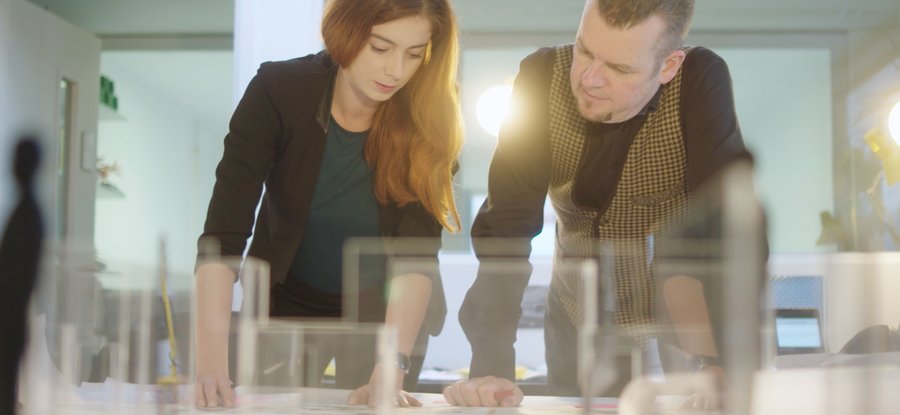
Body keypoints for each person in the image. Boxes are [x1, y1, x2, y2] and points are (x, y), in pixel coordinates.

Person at [445, 0, 752, 407]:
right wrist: (491, 362)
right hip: (575, 316)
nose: (590, 79)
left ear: (669, 66)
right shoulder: (540, 77)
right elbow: (507, 226)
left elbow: (720, 228)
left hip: (682, 319)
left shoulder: (699, 80)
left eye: (620, 69)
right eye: (584, 51)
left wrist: (711, 360)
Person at [194, 0, 462, 408]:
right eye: (380, 47)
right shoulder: (279, 89)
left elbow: (416, 255)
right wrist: (211, 363)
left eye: (413, 54)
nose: (396, 71)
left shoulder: (431, 112)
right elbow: (224, 233)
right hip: (284, 302)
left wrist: (391, 368)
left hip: (386, 314)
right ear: (345, 30)